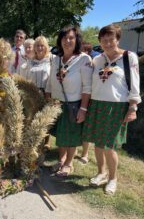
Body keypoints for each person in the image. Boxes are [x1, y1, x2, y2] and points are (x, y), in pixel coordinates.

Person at [83, 25, 141, 195]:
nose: (108, 43)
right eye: (104, 40)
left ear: (118, 39)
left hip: (116, 107)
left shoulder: (128, 57)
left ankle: (112, 179)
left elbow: (134, 84)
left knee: (110, 146)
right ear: (99, 41)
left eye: (111, 39)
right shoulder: (97, 60)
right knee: (98, 143)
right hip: (97, 104)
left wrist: (132, 107)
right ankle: (101, 172)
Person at [45, 26, 93, 177]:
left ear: (77, 40)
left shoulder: (84, 59)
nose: (67, 41)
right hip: (56, 104)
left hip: (73, 104)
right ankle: (61, 160)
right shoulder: (56, 59)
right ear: (60, 41)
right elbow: (50, 82)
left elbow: (87, 87)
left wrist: (83, 109)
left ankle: (68, 164)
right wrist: (48, 98)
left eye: (71, 38)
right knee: (61, 135)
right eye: (64, 38)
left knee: (71, 136)